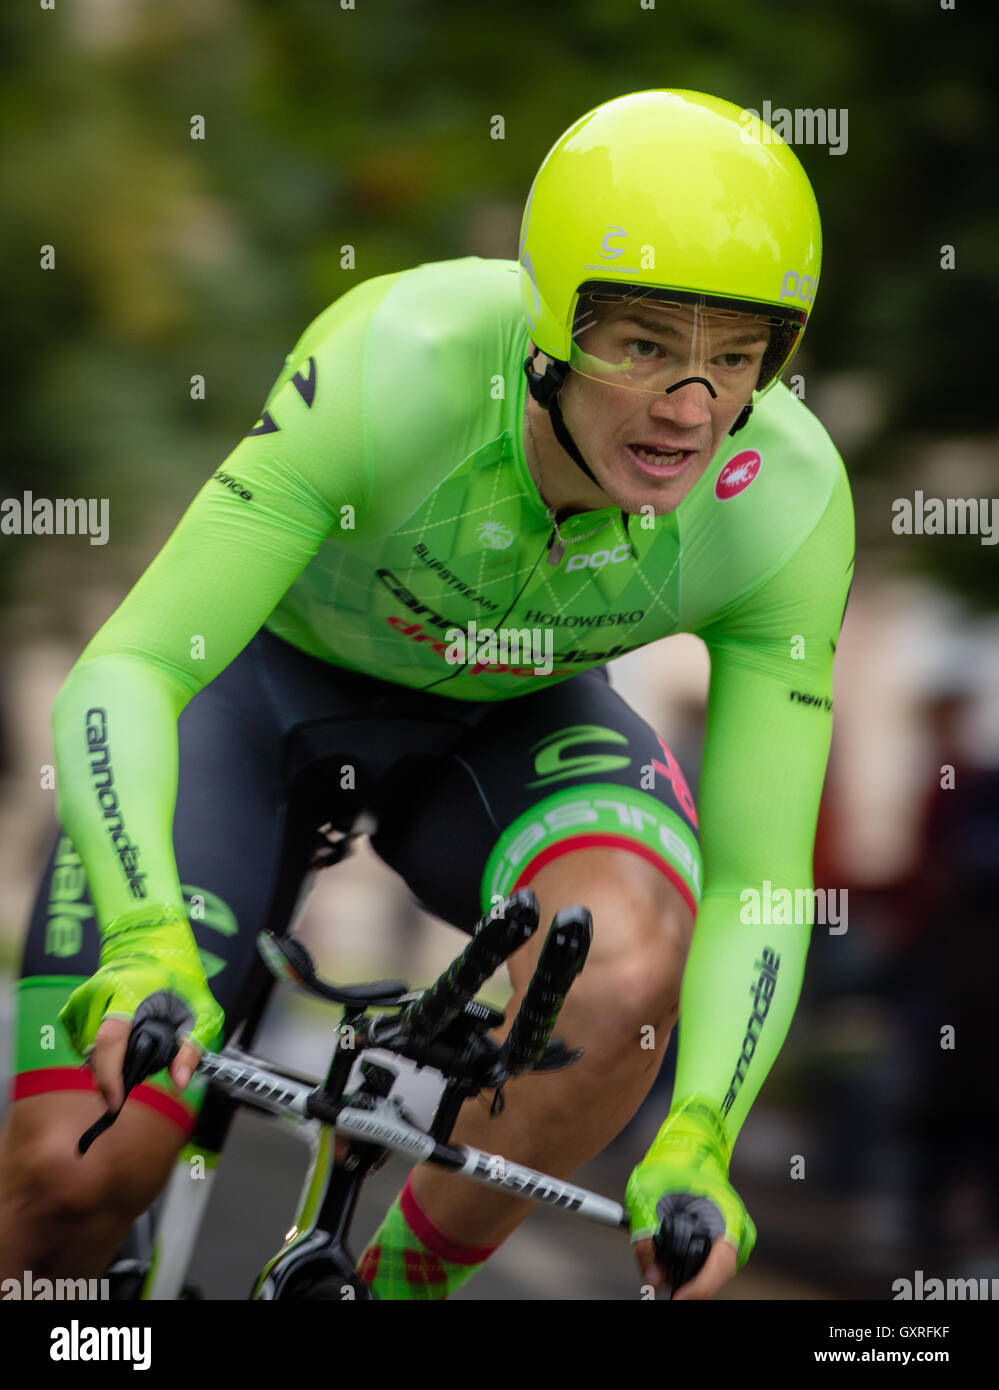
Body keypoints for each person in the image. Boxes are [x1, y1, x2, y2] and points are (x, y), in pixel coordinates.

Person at [0, 89, 854, 1300]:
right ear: (553, 322)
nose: (690, 407)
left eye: (736, 357)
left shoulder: (786, 505)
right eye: (645, 344)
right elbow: (132, 664)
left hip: (506, 723)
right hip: (261, 697)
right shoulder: (396, 363)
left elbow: (762, 880)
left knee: (621, 963)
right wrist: (143, 938)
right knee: (78, 1177)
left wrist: (703, 1129)